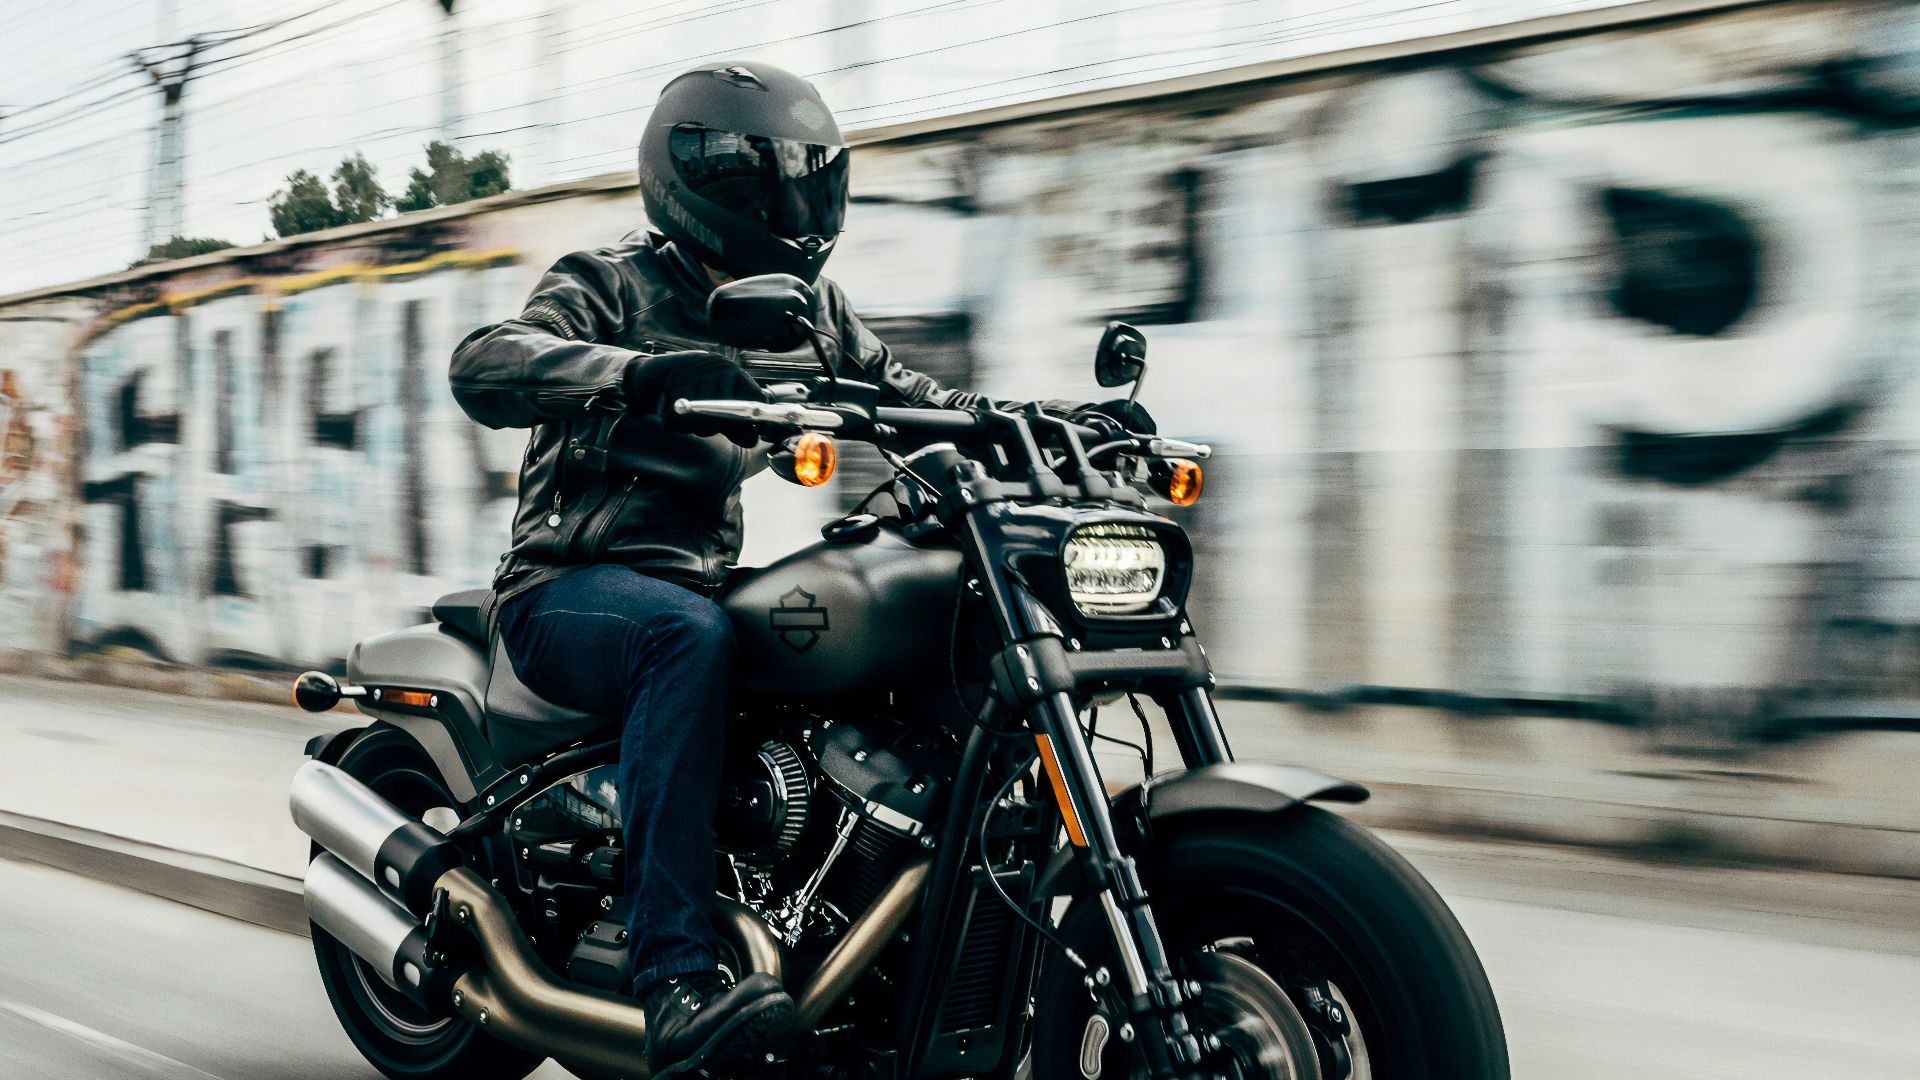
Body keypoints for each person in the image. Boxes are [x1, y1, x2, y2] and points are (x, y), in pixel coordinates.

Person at [448, 60, 1147, 1076]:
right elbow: (485, 361)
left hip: (695, 581)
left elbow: (909, 395)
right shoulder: (609, 282)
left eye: (809, 176)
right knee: (685, 637)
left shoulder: (806, 309)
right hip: (567, 586)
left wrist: (1037, 422)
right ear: (698, 182)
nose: (792, 200)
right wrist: (636, 373)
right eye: (766, 178)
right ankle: (676, 976)